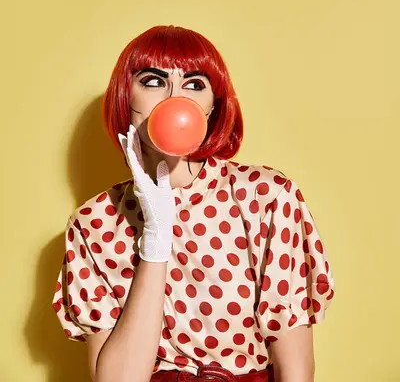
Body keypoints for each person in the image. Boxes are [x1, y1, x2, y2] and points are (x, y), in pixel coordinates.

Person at [52, 24, 335, 382]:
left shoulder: (267, 198)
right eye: (153, 81)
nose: (174, 99)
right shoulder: (95, 223)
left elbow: (296, 369)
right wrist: (156, 236)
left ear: (213, 106)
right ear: (127, 97)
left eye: (194, 84)